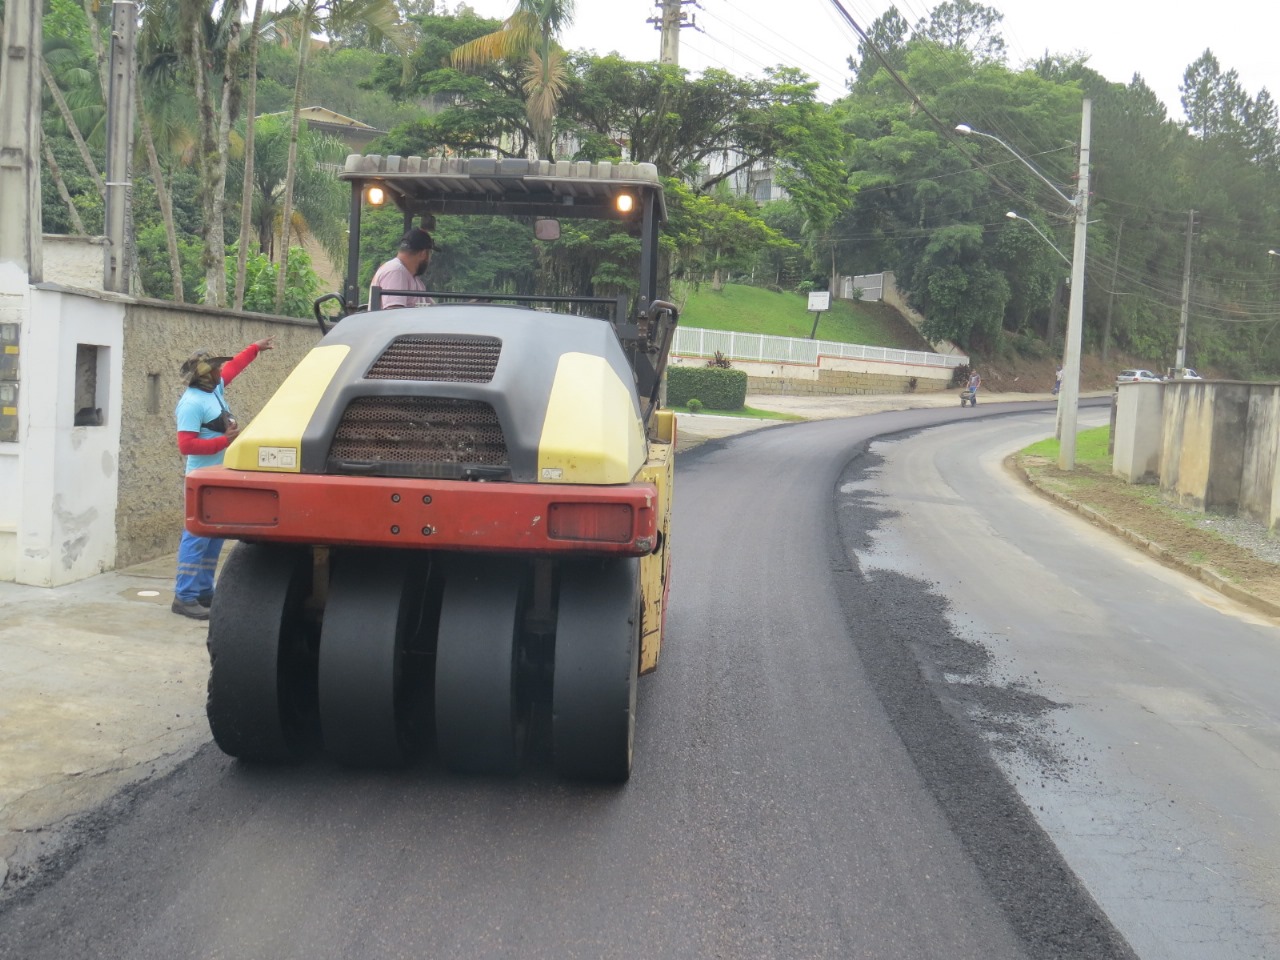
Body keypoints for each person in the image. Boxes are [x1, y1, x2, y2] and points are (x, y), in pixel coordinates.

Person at [172, 337, 274, 619]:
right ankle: (185, 596)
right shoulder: (192, 404)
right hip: (200, 478)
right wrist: (224, 441)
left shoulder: (212, 390)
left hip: (216, 476)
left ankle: (204, 592)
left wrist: (254, 349)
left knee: (213, 536)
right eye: (215, 368)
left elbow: (235, 368)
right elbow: (186, 445)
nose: (221, 371)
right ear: (205, 375)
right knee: (196, 537)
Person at [370, 227, 436, 308]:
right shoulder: (396, 271)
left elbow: (434, 308)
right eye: (430, 253)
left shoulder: (414, 278)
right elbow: (394, 314)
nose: (430, 260)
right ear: (423, 254)